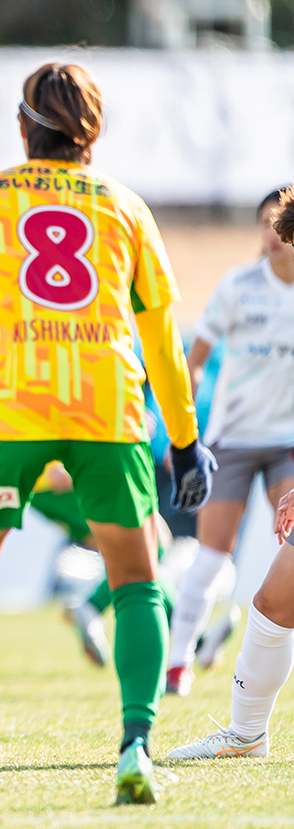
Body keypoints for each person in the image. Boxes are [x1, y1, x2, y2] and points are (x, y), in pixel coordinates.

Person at [0, 62, 214, 808]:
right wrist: (185, 440)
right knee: (138, 582)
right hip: (108, 414)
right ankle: (136, 747)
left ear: (22, 126)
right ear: (93, 131)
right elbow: (162, 341)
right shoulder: (125, 207)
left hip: (10, 414)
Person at [169, 186, 294, 760]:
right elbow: (192, 361)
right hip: (234, 441)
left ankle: (246, 731)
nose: (275, 235)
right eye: (269, 223)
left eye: (282, 224)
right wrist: (185, 432)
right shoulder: (239, 286)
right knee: (222, 561)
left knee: (278, 582)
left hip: (288, 445)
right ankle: (180, 664)